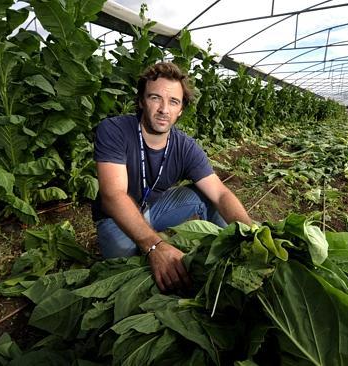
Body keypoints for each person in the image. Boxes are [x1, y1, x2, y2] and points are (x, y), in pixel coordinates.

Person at [92, 62, 252, 292]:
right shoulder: (115, 130)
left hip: (153, 209)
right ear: (141, 101)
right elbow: (112, 196)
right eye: (155, 98)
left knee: (207, 197)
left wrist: (251, 233)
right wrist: (156, 246)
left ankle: (232, 262)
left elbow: (220, 192)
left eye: (173, 101)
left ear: (181, 110)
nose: (164, 109)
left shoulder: (185, 146)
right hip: (113, 218)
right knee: (126, 270)